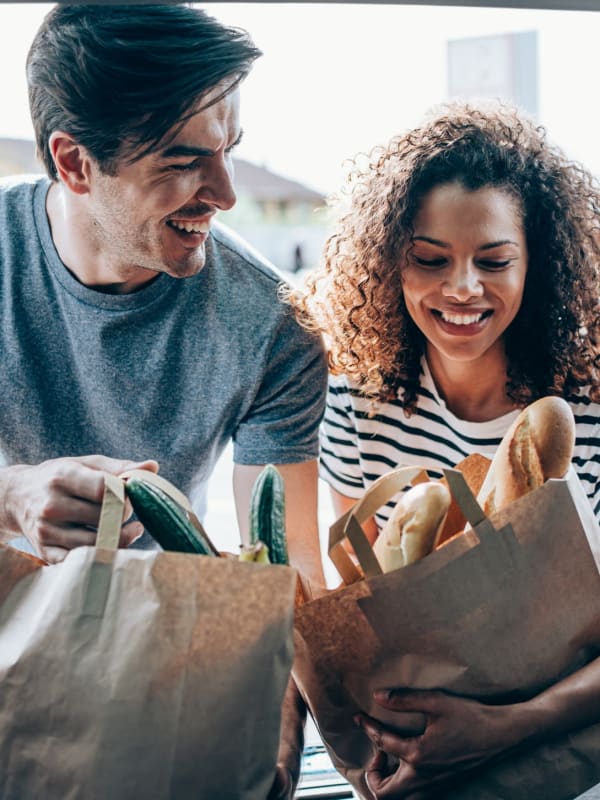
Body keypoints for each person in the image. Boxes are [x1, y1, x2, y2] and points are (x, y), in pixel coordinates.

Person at [0, 5, 328, 797]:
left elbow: (277, 582)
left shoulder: (275, 333)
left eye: (229, 152)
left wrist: (270, 750)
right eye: (184, 161)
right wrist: (11, 494)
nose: (223, 193)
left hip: (141, 680)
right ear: (74, 163)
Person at [290, 101, 600, 798]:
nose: (462, 288)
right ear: (389, 265)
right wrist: (373, 746)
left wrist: (510, 724)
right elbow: (363, 609)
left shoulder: (588, 408)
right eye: (430, 260)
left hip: (567, 746)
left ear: (538, 264)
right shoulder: (358, 404)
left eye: (493, 261)